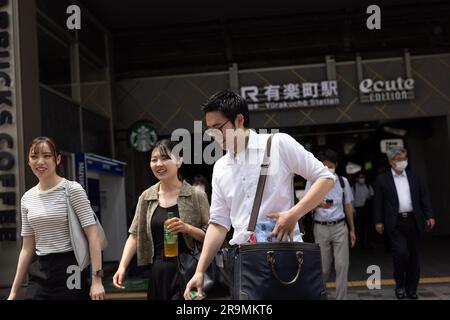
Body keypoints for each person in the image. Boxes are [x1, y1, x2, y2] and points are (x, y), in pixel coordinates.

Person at [184, 90, 335, 300]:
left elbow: (326, 178)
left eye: (218, 128)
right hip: (243, 261)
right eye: (209, 131)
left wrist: (294, 214)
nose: (214, 136)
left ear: (239, 120)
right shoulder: (220, 167)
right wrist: (200, 271)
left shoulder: (278, 143)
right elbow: (218, 224)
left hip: (285, 255)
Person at [8, 137, 105, 300]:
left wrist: (97, 279)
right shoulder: (27, 198)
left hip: (69, 267)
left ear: (58, 159)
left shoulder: (72, 189)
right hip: (39, 269)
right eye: (34, 156)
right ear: (28, 160)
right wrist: (14, 292)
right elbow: (27, 248)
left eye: (46, 156)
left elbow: (93, 235)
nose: (40, 161)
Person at [113, 139, 209, 300]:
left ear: (179, 162)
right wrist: (122, 266)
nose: (159, 164)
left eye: (165, 158)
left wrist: (187, 228)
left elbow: (211, 235)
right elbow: (135, 234)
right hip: (158, 270)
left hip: (189, 269)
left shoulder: (196, 196)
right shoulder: (146, 197)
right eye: (154, 159)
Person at [373, 146, 435, 300]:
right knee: (400, 254)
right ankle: (400, 285)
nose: (402, 162)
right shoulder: (383, 179)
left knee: (414, 256)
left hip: (414, 221)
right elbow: (377, 202)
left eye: (404, 159)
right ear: (391, 161)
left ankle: (412, 289)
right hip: (395, 223)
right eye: (398, 160)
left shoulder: (415, 177)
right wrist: (378, 221)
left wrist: (429, 215)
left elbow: (424, 197)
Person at [305, 148, 356, 300]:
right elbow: (305, 207)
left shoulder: (342, 181)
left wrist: (352, 229)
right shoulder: (312, 181)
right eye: (323, 166)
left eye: (330, 166)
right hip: (321, 227)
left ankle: (342, 298)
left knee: (342, 266)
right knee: (323, 268)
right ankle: (322, 295)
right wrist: (318, 204)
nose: (327, 169)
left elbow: (348, 206)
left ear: (336, 165)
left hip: (340, 227)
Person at [352, 171, 375, 249]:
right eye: (360, 177)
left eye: (363, 177)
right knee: (359, 227)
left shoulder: (368, 186)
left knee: (368, 227)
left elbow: (372, 196)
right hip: (358, 210)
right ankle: (360, 244)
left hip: (367, 209)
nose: (362, 179)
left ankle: (368, 243)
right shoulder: (353, 188)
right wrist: (353, 211)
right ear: (357, 179)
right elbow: (351, 201)